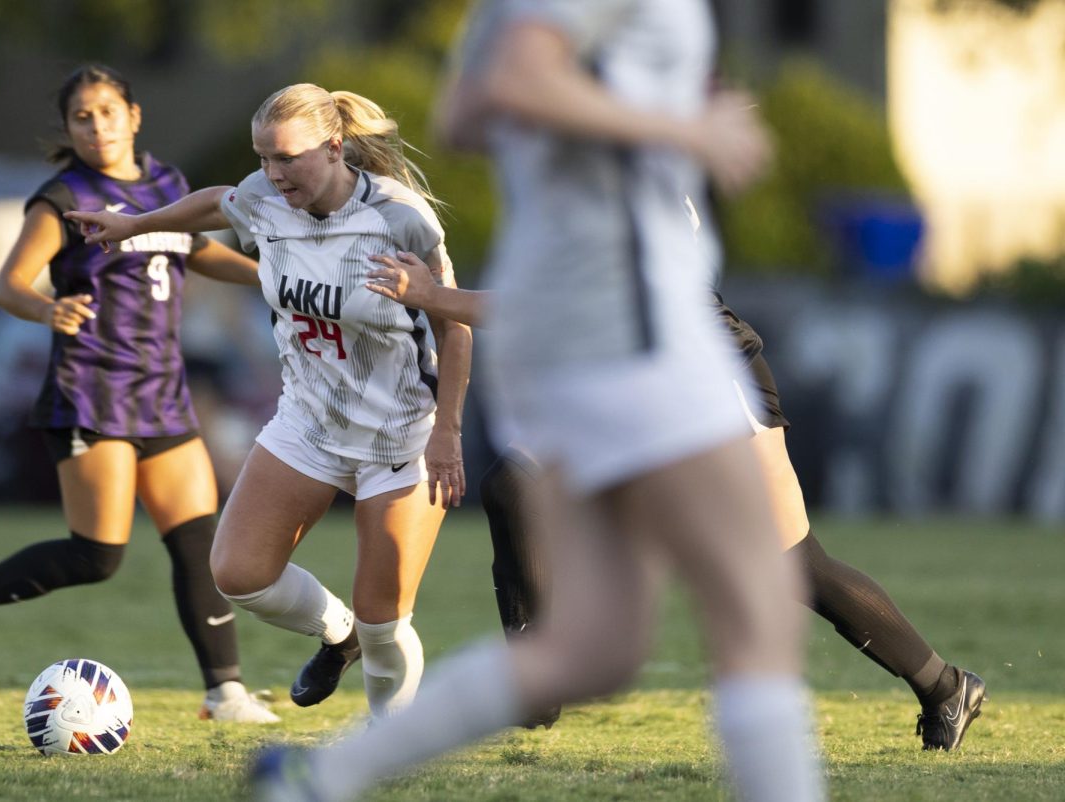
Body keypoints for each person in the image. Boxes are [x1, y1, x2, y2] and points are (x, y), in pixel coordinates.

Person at [254, 2, 825, 801]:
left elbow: (465, 114)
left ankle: (322, 777)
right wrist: (680, 131)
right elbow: (518, 81)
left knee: (595, 648)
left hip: (567, 323)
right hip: (624, 325)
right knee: (760, 613)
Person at [366, 253, 987, 749]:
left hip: (703, 367)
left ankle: (944, 686)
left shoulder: (616, 160)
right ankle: (536, 677)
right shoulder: (578, 153)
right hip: (618, 360)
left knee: (792, 563)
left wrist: (431, 296)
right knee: (514, 484)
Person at [65, 83, 473, 721]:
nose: (271, 174)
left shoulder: (399, 217)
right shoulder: (264, 197)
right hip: (307, 423)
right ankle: (336, 635)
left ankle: (385, 747)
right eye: (263, 158)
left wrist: (448, 430)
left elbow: (455, 324)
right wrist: (137, 225)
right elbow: (217, 205)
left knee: (384, 621)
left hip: (399, 437)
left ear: (335, 148)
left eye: (287, 158)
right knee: (239, 574)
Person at [0, 64, 281, 724]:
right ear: (68, 128)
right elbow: (9, 284)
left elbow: (194, 250)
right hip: (91, 388)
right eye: (82, 116)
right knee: (97, 556)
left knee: (198, 540)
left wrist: (272, 275)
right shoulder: (62, 196)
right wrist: (44, 310)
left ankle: (224, 692)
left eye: (108, 111)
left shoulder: (166, 182)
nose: (97, 125)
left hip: (161, 387)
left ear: (134, 116)